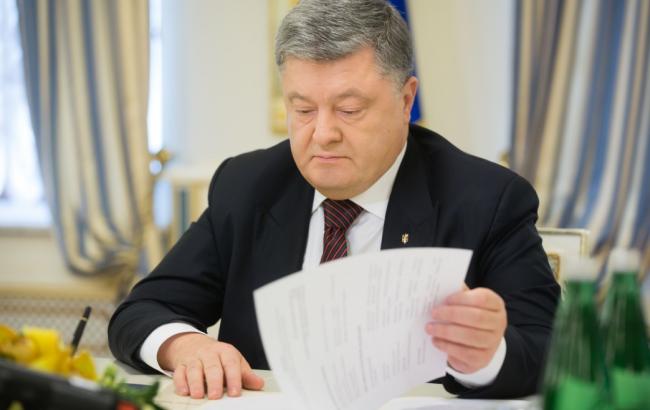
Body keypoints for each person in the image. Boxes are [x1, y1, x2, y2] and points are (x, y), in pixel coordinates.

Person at [108, 0, 560, 401]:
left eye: (349, 110)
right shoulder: (248, 186)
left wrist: (485, 355)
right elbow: (141, 312)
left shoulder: (487, 200)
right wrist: (185, 345)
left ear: (406, 100)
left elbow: (550, 350)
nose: (323, 134)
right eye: (303, 109)